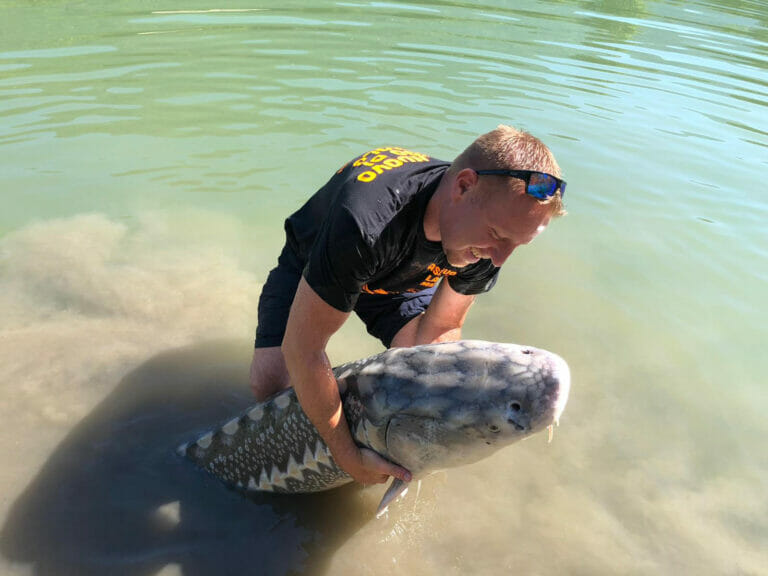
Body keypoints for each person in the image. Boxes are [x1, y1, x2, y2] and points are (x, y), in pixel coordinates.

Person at [249, 124, 566, 488]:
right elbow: (304, 350)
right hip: (320, 263)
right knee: (271, 386)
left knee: (430, 357)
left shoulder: (485, 234)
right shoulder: (365, 221)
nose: (498, 260)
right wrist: (346, 454)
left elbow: (444, 324)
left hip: (402, 277)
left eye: (516, 245)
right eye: (498, 236)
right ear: (463, 187)